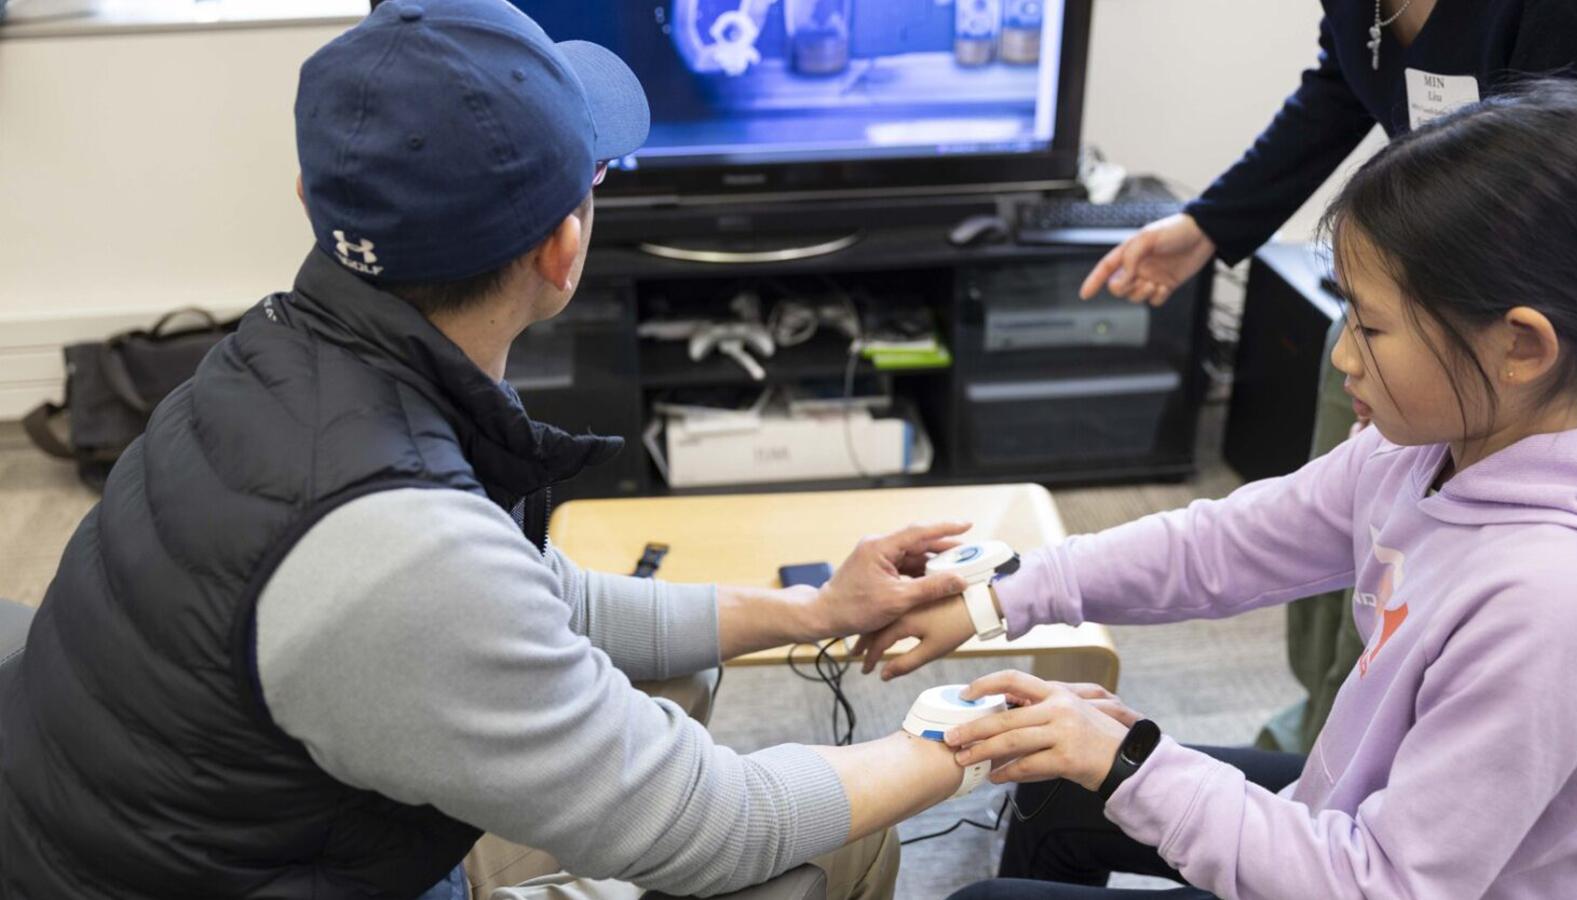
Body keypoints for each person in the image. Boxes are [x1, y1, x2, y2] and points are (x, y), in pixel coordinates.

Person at [0, 3, 980, 899]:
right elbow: (714, 824)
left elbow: (525, 593)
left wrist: (808, 611)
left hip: (214, 839)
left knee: (681, 684)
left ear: (316, 199)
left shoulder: (276, 358)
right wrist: (960, 738)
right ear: (563, 251)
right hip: (271, 870)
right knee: (838, 846)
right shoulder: (396, 549)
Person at [861, 81, 1577, 897]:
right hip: (1344, 820)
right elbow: (1224, 545)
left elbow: (1382, 886)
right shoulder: (1424, 453)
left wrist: (1133, 762)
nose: (1345, 357)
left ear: (1521, 347)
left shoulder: (1551, 601)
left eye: (1372, 326)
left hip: (1370, 877)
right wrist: (997, 599)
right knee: (1048, 778)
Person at [1079, 0, 1577, 754]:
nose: (1349, 356)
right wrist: (1211, 225)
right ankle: (1326, 721)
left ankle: (1382, 737)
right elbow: (1335, 89)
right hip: (1438, 304)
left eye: (1372, 332)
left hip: (1515, 315)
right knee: (1351, 526)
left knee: (1447, 598)